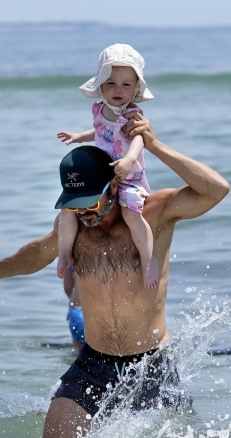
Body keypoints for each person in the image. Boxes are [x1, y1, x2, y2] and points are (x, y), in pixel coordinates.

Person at [0, 111, 229, 438]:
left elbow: (216, 190)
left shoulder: (152, 213)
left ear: (113, 185)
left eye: (91, 202)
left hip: (152, 363)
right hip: (94, 362)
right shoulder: (73, 225)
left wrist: (155, 145)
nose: (84, 213)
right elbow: (35, 254)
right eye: (75, 205)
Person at [56, 44, 159, 291]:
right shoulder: (100, 110)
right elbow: (102, 132)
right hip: (101, 172)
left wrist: (129, 159)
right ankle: (63, 253)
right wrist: (80, 136)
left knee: (131, 213)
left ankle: (148, 260)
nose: (118, 90)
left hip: (126, 174)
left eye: (126, 85)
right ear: (101, 86)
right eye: (111, 83)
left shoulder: (132, 114)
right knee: (69, 210)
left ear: (135, 89)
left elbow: (138, 139)